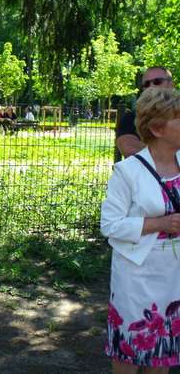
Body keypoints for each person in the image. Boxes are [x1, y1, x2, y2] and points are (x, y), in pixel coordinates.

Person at [101, 87, 180, 373]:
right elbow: (109, 224)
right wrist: (160, 224)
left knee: (164, 351)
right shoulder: (128, 172)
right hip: (136, 276)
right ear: (158, 129)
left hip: (174, 275)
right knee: (130, 349)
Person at [116, 66, 175, 158]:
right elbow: (129, 149)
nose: (151, 86)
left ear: (171, 84)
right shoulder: (131, 118)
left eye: (157, 81)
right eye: (146, 84)